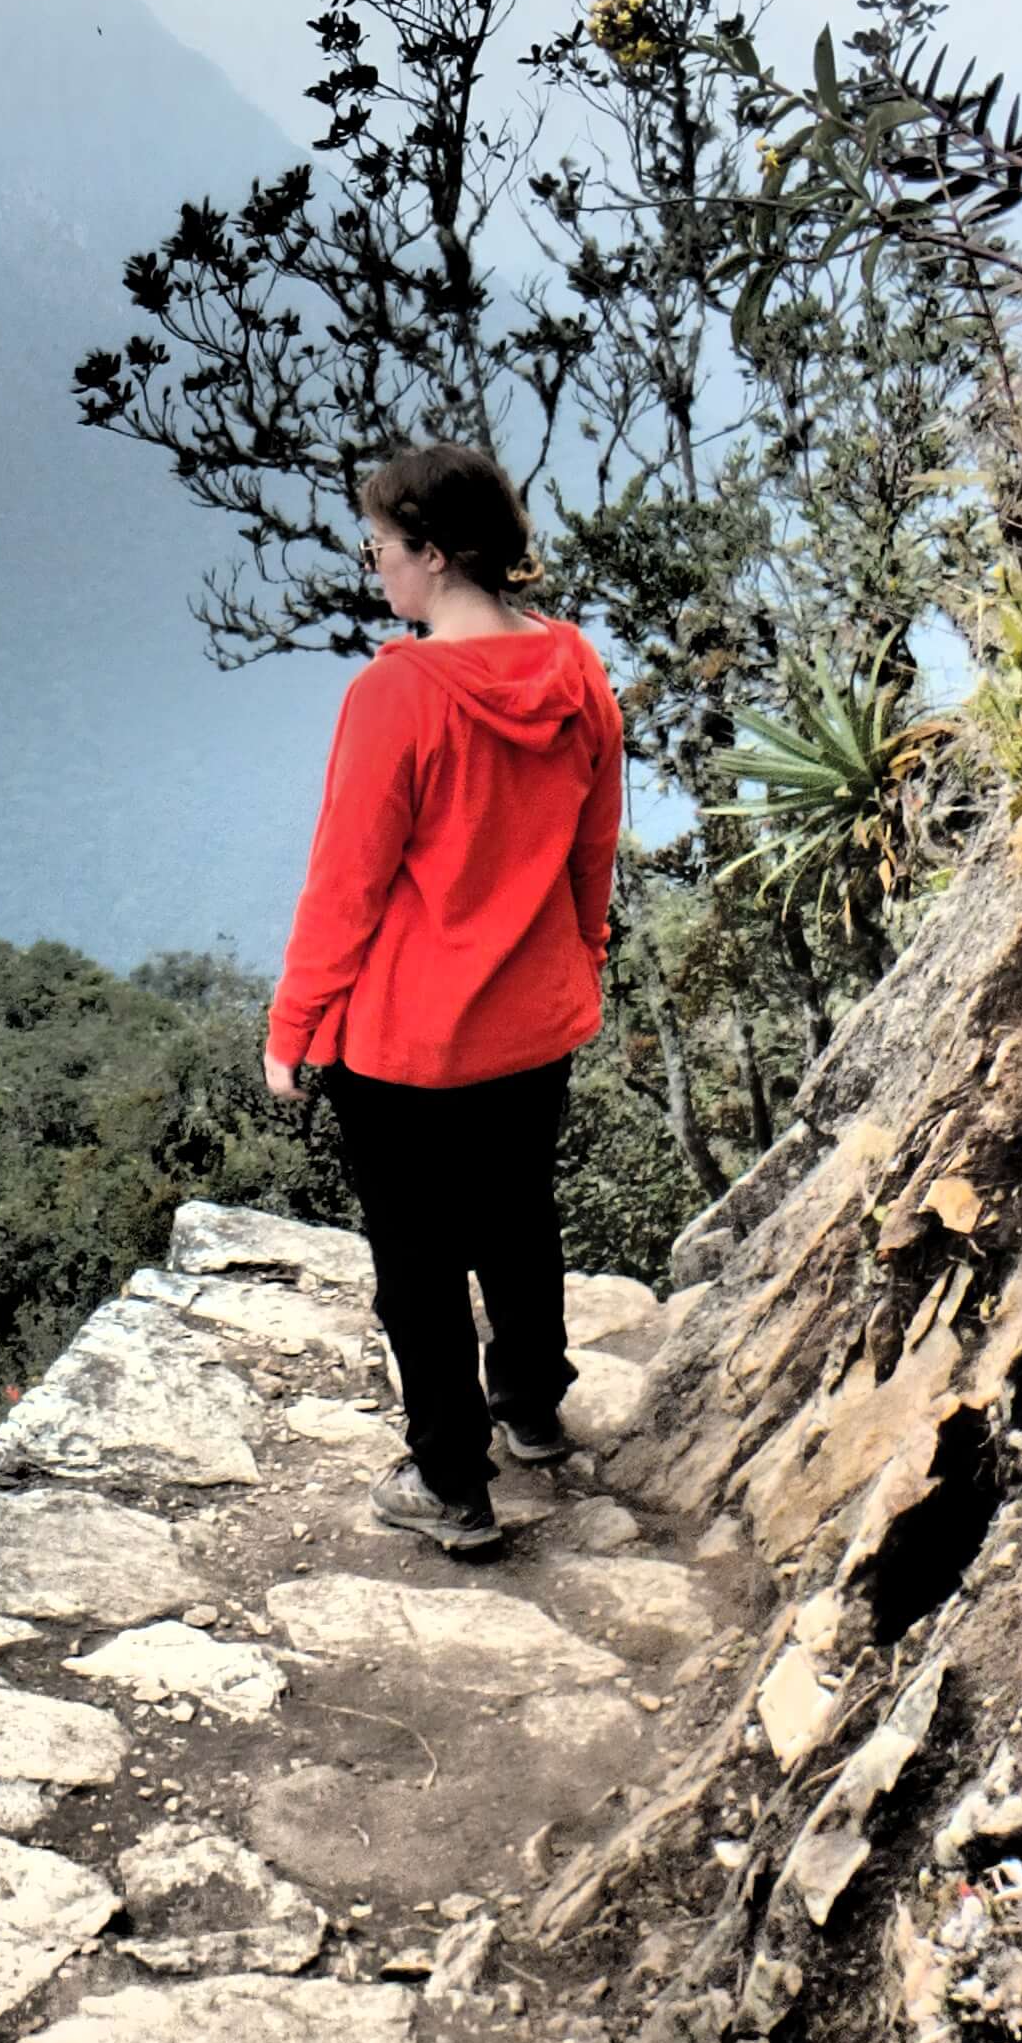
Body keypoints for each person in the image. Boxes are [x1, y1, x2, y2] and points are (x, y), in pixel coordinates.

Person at [261, 442, 624, 1558]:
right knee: (517, 1218)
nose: (377, 567)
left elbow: (346, 884)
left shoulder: (397, 697)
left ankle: (452, 1485)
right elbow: (593, 839)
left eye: (381, 547)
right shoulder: (574, 670)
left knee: (416, 1262)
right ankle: (530, 1407)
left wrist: (293, 1028)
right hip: (534, 1023)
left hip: (411, 1046)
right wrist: (584, 949)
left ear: (431, 554)